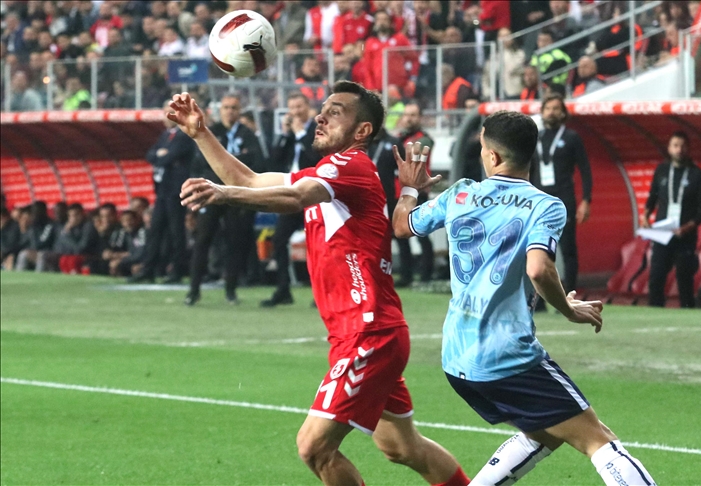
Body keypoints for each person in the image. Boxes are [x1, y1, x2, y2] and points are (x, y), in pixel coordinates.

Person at [171, 82, 471, 486]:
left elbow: (294, 199)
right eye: (323, 109)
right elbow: (250, 178)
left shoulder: (349, 165)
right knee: (403, 447)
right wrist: (200, 133)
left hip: (368, 333)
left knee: (314, 447)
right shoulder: (328, 172)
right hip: (365, 332)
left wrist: (224, 195)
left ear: (362, 130)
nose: (320, 116)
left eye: (335, 111)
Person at [391, 111, 656, 486]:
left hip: (457, 357)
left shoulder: (460, 193)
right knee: (598, 439)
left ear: (493, 156)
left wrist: (408, 189)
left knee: (543, 432)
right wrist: (568, 309)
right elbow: (539, 269)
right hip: (507, 356)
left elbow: (401, 225)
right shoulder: (546, 206)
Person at [186, 93, 265, 306]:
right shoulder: (211, 133)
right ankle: (193, 290)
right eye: (226, 107)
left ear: (239, 111)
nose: (230, 111)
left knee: (235, 242)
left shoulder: (248, 135)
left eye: (234, 108)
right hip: (211, 194)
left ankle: (231, 289)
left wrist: (224, 164)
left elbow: (257, 162)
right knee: (202, 240)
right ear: (220, 111)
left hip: (237, 196)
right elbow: (200, 163)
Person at [261, 93, 320, 308]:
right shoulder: (290, 134)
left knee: (318, 244)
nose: (295, 111)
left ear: (308, 107)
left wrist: (301, 133)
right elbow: (274, 161)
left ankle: (321, 292)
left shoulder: (317, 130)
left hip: (313, 193)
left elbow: (317, 158)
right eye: (292, 107)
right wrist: (286, 135)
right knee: (279, 239)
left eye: (299, 106)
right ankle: (283, 289)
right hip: (292, 194)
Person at [640, 131, 701, 308]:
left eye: (683, 146)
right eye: (675, 145)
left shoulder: (697, 175)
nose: (679, 150)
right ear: (669, 148)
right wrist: (645, 215)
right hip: (662, 233)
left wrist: (688, 227)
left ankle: (687, 313)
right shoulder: (661, 171)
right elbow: (652, 197)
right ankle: (655, 312)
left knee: (684, 279)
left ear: (688, 149)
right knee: (656, 276)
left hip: (685, 235)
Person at [530, 94, 593, 295]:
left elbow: (585, 170)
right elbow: (528, 170)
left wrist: (586, 200)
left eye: (556, 108)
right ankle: (539, 299)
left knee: (567, 249)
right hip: (539, 202)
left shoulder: (571, 137)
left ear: (563, 113)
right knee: (538, 249)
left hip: (563, 201)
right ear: (542, 112)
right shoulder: (536, 138)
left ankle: (569, 296)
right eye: (548, 108)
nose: (551, 112)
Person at [129, 100, 196, 284]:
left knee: (176, 231)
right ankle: (148, 269)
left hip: (176, 190)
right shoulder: (165, 135)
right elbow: (151, 155)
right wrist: (161, 155)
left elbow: (168, 157)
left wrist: (162, 155)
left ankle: (177, 271)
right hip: (163, 190)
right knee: (155, 230)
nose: (166, 116)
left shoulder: (184, 135)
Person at [397, 101, 435, 285]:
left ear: (420, 118)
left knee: (421, 233)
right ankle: (407, 274)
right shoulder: (401, 138)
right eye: (406, 115)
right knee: (400, 234)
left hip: (419, 191)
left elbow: (414, 151)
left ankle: (426, 273)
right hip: (402, 191)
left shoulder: (424, 139)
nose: (408, 118)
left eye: (412, 115)